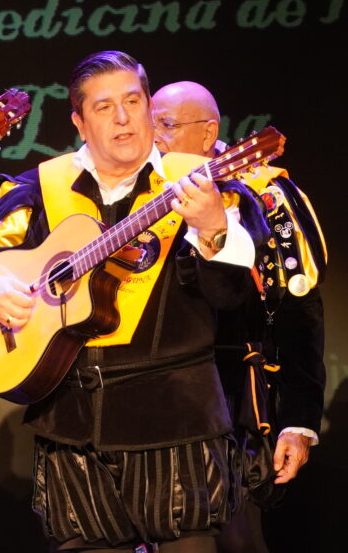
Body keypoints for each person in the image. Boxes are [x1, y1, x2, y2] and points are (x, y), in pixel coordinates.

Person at [0, 51, 268, 552]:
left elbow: (234, 300)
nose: (122, 118)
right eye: (104, 107)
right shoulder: (44, 187)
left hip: (176, 427)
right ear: (79, 121)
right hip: (72, 432)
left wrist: (213, 229)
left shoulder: (202, 181)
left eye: (133, 102)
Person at [151, 81, 326, 553]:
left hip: (231, 403)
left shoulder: (264, 193)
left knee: (234, 537)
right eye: (151, 125)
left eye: (166, 125)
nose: (154, 138)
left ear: (209, 133)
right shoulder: (138, 190)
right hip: (151, 400)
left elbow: (299, 310)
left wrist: (298, 420)